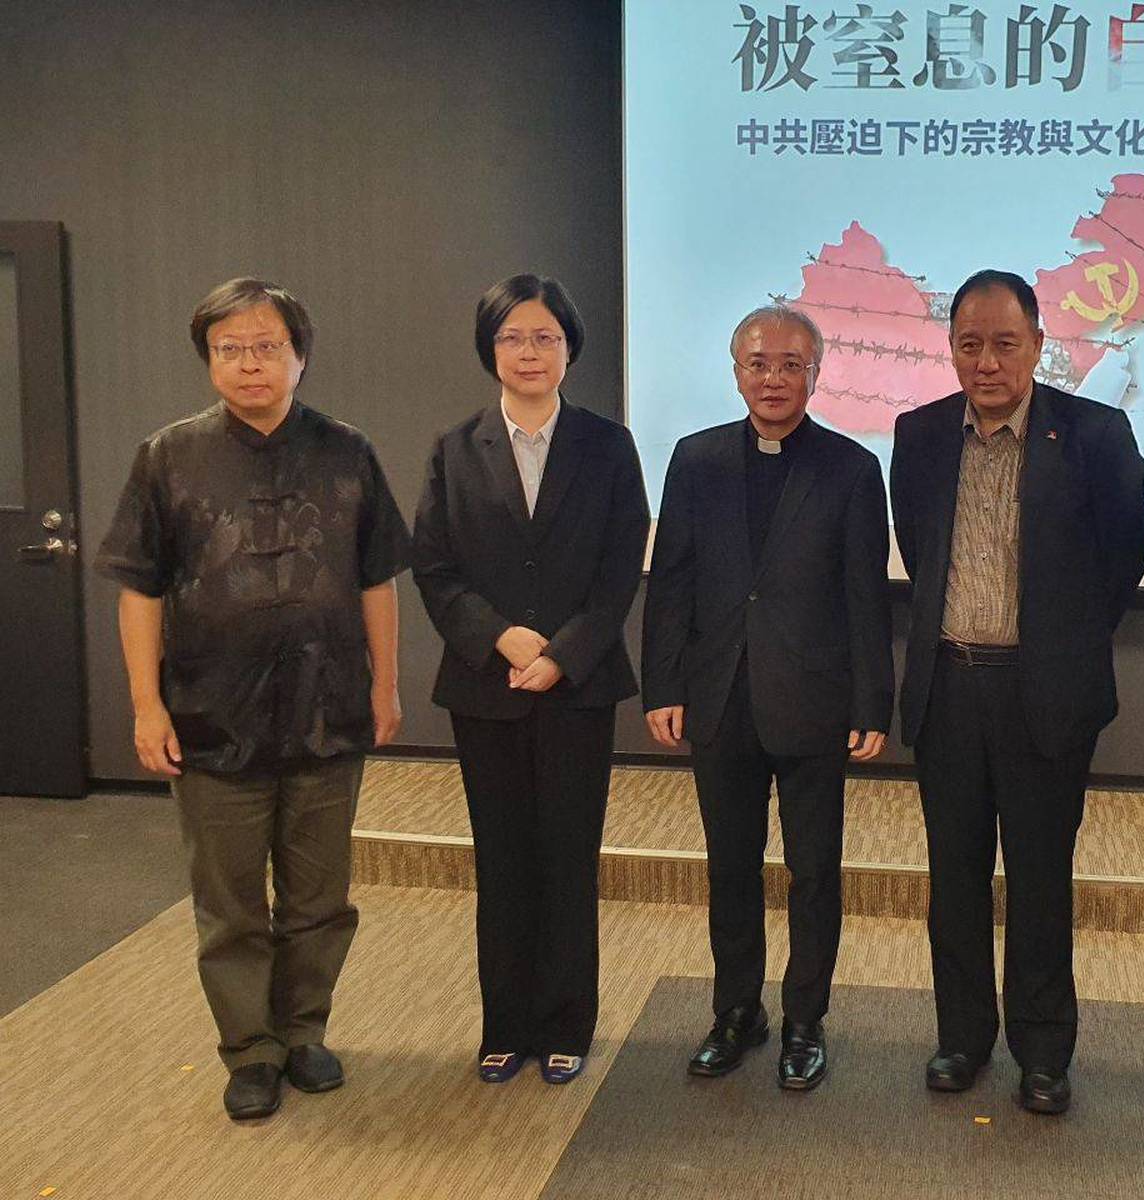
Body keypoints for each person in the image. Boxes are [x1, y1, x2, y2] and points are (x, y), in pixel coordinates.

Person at [96, 278, 411, 1120]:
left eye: (267, 346)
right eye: (229, 349)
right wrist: (146, 705)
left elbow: (377, 580)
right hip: (209, 714)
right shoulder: (168, 456)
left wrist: (384, 686)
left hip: (327, 707)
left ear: (300, 356)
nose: (249, 363)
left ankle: (303, 1033)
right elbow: (139, 590)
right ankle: (250, 1049)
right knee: (230, 903)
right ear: (209, 360)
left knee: (319, 898)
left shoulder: (348, 452)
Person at [890, 269, 1144, 1114]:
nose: (987, 361)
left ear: (1039, 345)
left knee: (1041, 880)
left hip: (1046, 696)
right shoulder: (920, 434)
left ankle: (1043, 1052)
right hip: (948, 689)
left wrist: (1063, 644)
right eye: (970, 344)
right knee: (954, 878)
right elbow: (919, 548)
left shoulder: (1095, 434)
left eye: (1005, 343)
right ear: (950, 347)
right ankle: (962, 1038)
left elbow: (1125, 557)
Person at [641, 303, 893, 1091]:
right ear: (736, 370)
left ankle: (805, 1020)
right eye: (758, 363)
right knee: (730, 867)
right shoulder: (696, 459)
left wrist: (872, 703)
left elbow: (866, 596)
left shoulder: (852, 468)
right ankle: (736, 1012)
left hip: (814, 701)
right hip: (719, 698)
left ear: (815, 373)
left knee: (814, 871)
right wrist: (664, 684)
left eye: (791, 365)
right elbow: (672, 580)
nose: (774, 378)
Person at [412, 274, 648, 1087]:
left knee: (568, 857)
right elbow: (434, 567)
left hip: (578, 686)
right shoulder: (454, 448)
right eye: (512, 337)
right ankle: (506, 1026)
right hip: (487, 688)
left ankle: (567, 1023)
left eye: (545, 337)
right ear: (491, 350)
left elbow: (620, 566)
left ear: (569, 348)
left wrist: (564, 652)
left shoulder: (608, 446)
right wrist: (500, 638)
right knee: (503, 859)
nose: (529, 352)